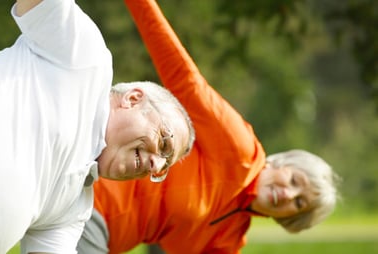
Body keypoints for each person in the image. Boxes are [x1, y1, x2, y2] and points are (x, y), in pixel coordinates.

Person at [0, 0, 195, 253]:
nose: (155, 163)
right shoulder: (85, 59)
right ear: (133, 98)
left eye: (163, 167)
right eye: (164, 144)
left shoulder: (75, 207)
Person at [76, 0, 340, 253]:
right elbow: (183, 78)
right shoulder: (239, 149)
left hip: (106, 241)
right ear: (280, 163)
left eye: (299, 203)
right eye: (294, 180)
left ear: (291, 219)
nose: (287, 195)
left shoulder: (230, 237)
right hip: (92, 203)